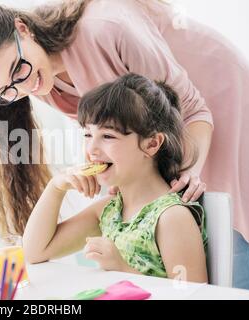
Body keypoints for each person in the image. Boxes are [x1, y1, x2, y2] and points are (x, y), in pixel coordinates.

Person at [0, 0, 249, 289]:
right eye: (6, 90)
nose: (25, 86)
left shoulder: (106, 29)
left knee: (233, 232)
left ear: (22, 29)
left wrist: (187, 171)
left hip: (219, 99)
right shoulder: (38, 81)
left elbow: (194, 109)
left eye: (18, 68)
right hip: (165, 140)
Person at [23, 74, 208, 283]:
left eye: (108, 136)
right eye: (87, 135)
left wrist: (122, 267)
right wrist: (55, 187)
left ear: (152, 144)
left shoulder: (171, 218)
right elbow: (35, 252)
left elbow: (192, 295)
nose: (91, 149)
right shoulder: (109, 211)